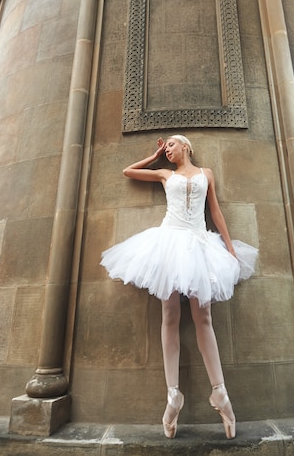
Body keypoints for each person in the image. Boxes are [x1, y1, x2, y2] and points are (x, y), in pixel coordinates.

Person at [100, 135, 258, 439]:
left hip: (199, 244)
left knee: (204, 318)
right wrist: (155, 154)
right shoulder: (165, 174)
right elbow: (128, 172)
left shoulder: (206, 174)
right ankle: (173, 395)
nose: (168, 148)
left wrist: (230, 248)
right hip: (168, 243)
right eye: (166, 146)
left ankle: (220, 393)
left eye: (172, 144)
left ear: (186, 147)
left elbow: (215, 212)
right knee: (169, 316)